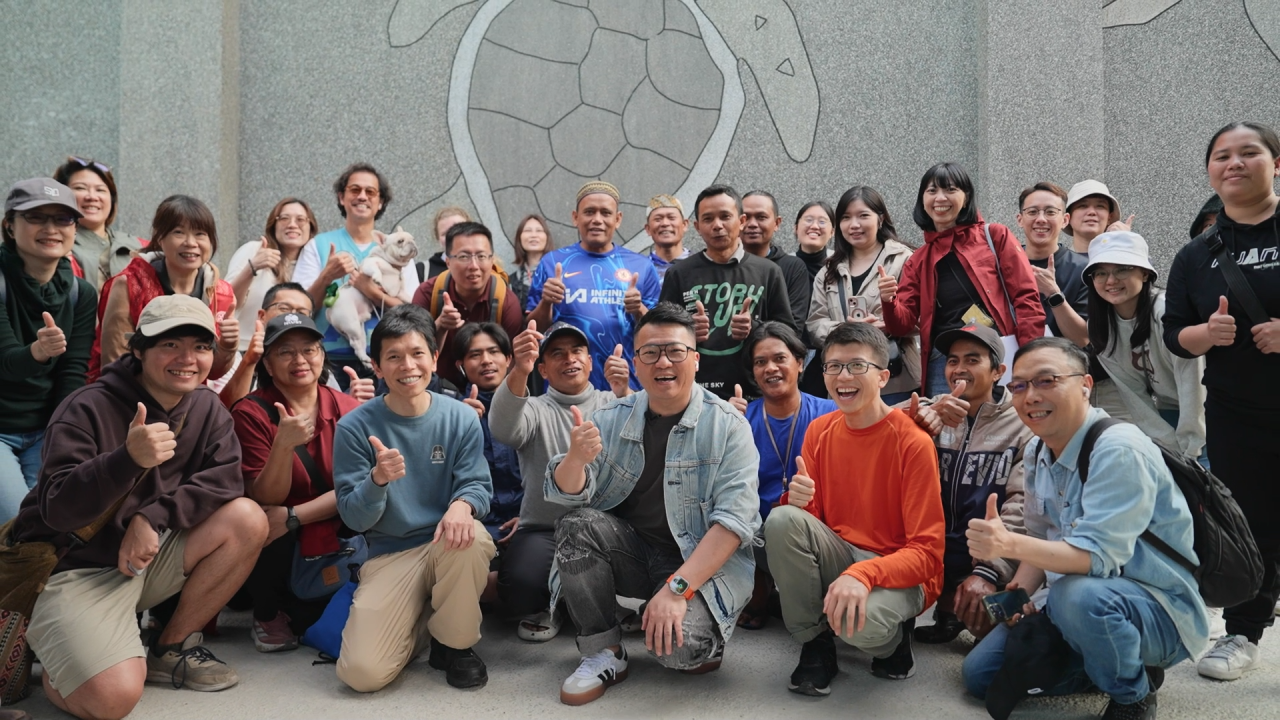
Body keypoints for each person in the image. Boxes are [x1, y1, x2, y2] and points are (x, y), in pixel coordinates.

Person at [12, 295, 267, 720]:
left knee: (248, 519)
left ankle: (171, 647)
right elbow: (56, 509)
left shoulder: (206, 406)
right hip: (75, 568)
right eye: (170, 344)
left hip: (144, 558)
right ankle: (58, 655)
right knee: (113, 700)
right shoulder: (86, 406)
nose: (188, 359)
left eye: (201, 346)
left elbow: (226, 479)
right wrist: (125, 460)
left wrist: (151, 517)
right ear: (138, 349)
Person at [962, 337, 1209, 720]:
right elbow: (1042, 537)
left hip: (1157, 609)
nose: (1031, 396)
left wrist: (1007, 544)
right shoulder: (1038, 450)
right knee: (980, 676)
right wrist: (1017, 597)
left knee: (1076, 597)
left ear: (1085, 385)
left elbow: (1096, 558)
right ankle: (1110, 662)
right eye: (1020, 385)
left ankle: (1133, 695)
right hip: (1074, 601)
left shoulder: (1118, 449)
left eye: (1047, 381)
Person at [546, 302, 760, 705]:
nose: (663, 362)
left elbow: (734, 523)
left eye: (676, 351)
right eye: (651, 352)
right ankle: (603, 651)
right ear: (636, 363)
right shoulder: (610, 417)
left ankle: (694, 628)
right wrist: (574, 460)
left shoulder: (729, 426)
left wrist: (677, 590)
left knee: (679, 652)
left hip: (698, 563)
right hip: (635, 552)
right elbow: (566, 494)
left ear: (695, 360)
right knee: (577, 524)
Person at [764, 321, 943, 696]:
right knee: (781, 520)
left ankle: (894, 642)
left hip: (897, 569)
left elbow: (927, 554)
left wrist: (863, 574)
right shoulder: (819, 430)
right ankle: (815, 643)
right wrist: (796, 501)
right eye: (833, 366)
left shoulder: (913, 442)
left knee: (855, 625)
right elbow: (807, 527)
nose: (843, 377)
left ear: (883, 376)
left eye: (857, 365)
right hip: (842, 555)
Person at [1163, 121, 1280, 681]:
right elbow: (1174, 334)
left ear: (1275, 164)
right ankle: (1243, 632)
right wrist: (1206, 334)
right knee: (1249, 524)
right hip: (1236, 412)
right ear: (1210, 171)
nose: (1234, 163)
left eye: (1248, 152)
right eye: (1222, 155)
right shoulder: (1196, 254)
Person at [332, 304, 494, 693]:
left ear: (434, 358)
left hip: (445, 542)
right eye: (394, 357)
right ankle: (425, 620)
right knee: (361, 675)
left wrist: (461, 505)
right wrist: (377, 480)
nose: (408, 366)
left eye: (417, 353)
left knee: (470, 535)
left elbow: (477, 485)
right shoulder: (354, 427)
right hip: (390, 554)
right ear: (376, 366)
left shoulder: (461, 418)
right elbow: (354, 518)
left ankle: (453, 646)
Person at [490, 320, 628, 643]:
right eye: (557, 353)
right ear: (542, 369)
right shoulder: (533, 408)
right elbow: (503, 428)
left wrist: (626, 392)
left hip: (607, 528)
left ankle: (583, 601)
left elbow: (650, 431)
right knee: (518, 587)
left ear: (590, 362)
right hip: (545, 529)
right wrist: (519, 370)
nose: (570, 359)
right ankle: (557, 605)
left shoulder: (613, 402)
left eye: (577, 351)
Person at [231, 312, 361, 652]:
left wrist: (295, 516)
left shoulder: (349, 409)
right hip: (279, 535)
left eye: (309, 349)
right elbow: (266, 495)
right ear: (268, 364)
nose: (300, 360)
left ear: (322, 355)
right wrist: (283, 445)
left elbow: (358, 489)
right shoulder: (250, 413)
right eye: (285, 352)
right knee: (259, 517)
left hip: (334, 522)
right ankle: (267, 612)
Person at [898, 323, 1031, 645]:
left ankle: (978, 610)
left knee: (992, 646)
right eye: (953, 360)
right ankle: (946, 611)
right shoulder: (931, 408)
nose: (959, 369)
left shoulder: (1022, 423)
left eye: (972, 360)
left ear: (998, 372)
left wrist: (990, 570)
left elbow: (1022, 506)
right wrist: (917, 420)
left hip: (985, 554)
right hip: (930, 547)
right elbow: (872, 421)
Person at [880, 162, 1045, 396]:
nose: (940, 198)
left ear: (966, 197)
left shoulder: (995, 236)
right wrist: (889, 300)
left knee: (1003, 417)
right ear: (922, 200)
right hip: (943, 359)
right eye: (932, 191)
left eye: (950, 189)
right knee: (946, 419)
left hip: (994, 352)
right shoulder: (918, 260)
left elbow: (1026, 298)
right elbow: (902, 325)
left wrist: (1030, 355)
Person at [0, 178, 97, 520]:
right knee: (16, 521)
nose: (51, 228)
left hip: (44, 431)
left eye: (63, 218)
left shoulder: (80, 293)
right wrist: (38, 352)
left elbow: (72, 374)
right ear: (10, 226)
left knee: (52, 520)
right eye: (36, 217)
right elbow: (6, 362)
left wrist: (62, 440)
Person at [728, 322, 835, 629]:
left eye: (780, 358)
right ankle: (759, 584)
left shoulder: (831, 414)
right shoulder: (741, 419)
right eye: (760, 362)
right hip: (755, 536)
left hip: (815, 531)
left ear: (800, 363)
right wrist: (722, 424)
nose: (770, 368)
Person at [659, 184, 796, 400]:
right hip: (695, 394)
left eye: (725, 216)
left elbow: (788, 333)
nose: (717, 225)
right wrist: (687, 330)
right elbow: (660, 333)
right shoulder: (678, 274)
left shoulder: (768, 272)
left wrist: (755, 328)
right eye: (708, 219)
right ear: (697, 226)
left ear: (741, 221)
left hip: (755, 394)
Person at [89, 194, 239, 384]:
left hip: (191, 395)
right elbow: (116, 361)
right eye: (179, 232)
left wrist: (227, 347)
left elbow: (212, 372)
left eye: (200, 234)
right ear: (160, 238)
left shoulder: (221, 294)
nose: (191, 242)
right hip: (131, 394)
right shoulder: (129, 284)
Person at [526, 180, 661, 391]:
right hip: (566, 390)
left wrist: (639, 310)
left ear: (618, 219)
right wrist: (546, 302)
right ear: (575, 217)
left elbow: (659, 334)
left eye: (605, 213)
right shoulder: (552, 263)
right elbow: (533, 330)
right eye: (589, 212)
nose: (597, 220)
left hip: (625, 386)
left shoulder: (641, 266)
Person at [1085, 231, 1206, 462]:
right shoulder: (1100, 326)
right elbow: (1133, 395)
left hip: (1207, 410)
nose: (1111, 281)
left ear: (1144, 273)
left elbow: (1193, 382)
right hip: (1168, 410)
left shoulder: (1166, 311)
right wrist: (1169, 449)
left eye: (1122, 269)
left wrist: (1191, 450)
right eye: (1100, 273)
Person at [293, 163, 415, 386]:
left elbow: (413, 313)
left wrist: (371, 292)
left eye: (371, 192)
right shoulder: (317, 245)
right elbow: (299, 311)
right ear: (342, 197)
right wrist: (327, 276)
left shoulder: (398, 249)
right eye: (355, 190)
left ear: (380, 202)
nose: (362, 196)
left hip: (388, 359)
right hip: (328, 359)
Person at [807, 185, 921, 405]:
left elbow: (922, 317)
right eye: (846, 217)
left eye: (863, 216)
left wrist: (888, 325)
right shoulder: (829, 270)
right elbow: (814, 324)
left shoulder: (904, 260)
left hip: (895, 380)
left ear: (881, 219)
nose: (854, 224)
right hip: (844, 381)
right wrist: (845, 329)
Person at [451, 323, 522, 603]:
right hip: (477, 526)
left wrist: (530, 517)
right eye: (475, 354)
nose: (486, 360)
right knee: (485, 586)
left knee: (525, 582)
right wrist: (455, 426)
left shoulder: (533, 408)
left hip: (526, 524)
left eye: (494, 352)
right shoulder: (447, 413)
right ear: (461, 365)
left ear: (509, 359)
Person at [217, 282, 376, 408]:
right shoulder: (235, 360)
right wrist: (250, 361)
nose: (292, 316)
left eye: (301, 313)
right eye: (284, 308)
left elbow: (333, 413)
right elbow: (227, 413)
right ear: (262, 316)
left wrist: (349, 402)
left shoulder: (315, 367)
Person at [411, 221, 523, 388]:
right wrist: (440, 326)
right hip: (436, 389)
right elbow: (414, 354)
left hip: (489, 391)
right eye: (464, 257)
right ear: (448, 262)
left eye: (481, 256)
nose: (474, 266)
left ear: (491, 260)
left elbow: (511, 361)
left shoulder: (506, 301)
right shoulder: (428, 294)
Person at [226, 198, 318, 351]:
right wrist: (252, 267)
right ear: (273, 225)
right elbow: (226, 301)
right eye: (284, 218)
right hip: (243, 348)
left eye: (300, 219)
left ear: (311, 227)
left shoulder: (314, 263)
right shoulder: (254, 250)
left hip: (286, 353)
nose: (292, 224)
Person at [52, 156, 142, 290]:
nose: (92, 197)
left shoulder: (140, 246)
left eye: (100, 190)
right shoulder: (51, 245)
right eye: (80, 188)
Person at [1016, 182, 1090, 345]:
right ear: (1020, 219)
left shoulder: (1084, 270)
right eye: (1032, 212)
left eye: (1050, 212)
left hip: (1063, 359)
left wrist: (1053, 293)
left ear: (1065, 220)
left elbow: (1082, 339)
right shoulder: (1003, 263)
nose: (1041, 219)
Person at [742, 190, 812, 336]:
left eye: (761, 217)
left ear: (777, 223)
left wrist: (752, 326)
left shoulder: (793, 268)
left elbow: (793, 328)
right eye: (746, 217)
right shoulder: (723, 264)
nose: (752, 224)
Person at [1063, 180, 1133, 255]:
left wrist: (1126, 248)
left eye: (1100, 206)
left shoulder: (1125, 257)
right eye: (1083, 206)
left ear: (1110, 217)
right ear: (1068, 217)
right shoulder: (1057, 260)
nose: (1091, 212)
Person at [509, 214, 553, 307]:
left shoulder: (558, 275)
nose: (533, 235)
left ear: (547, 238)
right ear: (519, 238)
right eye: (528, 231)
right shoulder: (510, 282)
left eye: (539, 231)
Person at [417, 206, 470, 283]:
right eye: (446, 233)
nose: (453, 236)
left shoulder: (485, 263)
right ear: (438, 238)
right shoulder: (422, 271)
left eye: (459, 230)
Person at [643, 194, 690, 280]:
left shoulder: (701, 265)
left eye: (671, 218)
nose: (665, 223)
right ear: (648, 229)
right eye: (658, 219)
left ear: (684, 225)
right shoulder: (639, 268)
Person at [792, 201, 835, 283]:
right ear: (796, 228)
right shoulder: (783, 265)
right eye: (808, 220)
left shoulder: (841, 265)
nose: (814, 226)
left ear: (832, 232)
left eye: (822, 222)